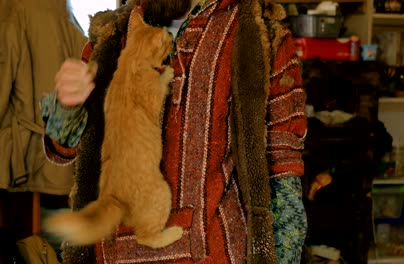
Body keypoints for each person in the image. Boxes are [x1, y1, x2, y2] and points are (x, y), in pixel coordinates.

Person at [41, 0, 308, 263]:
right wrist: (66, 106)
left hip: (216, 254)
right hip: (111, 251)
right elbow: (63, 149)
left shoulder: (261, 35)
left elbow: (283, 177)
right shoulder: (111, 35)